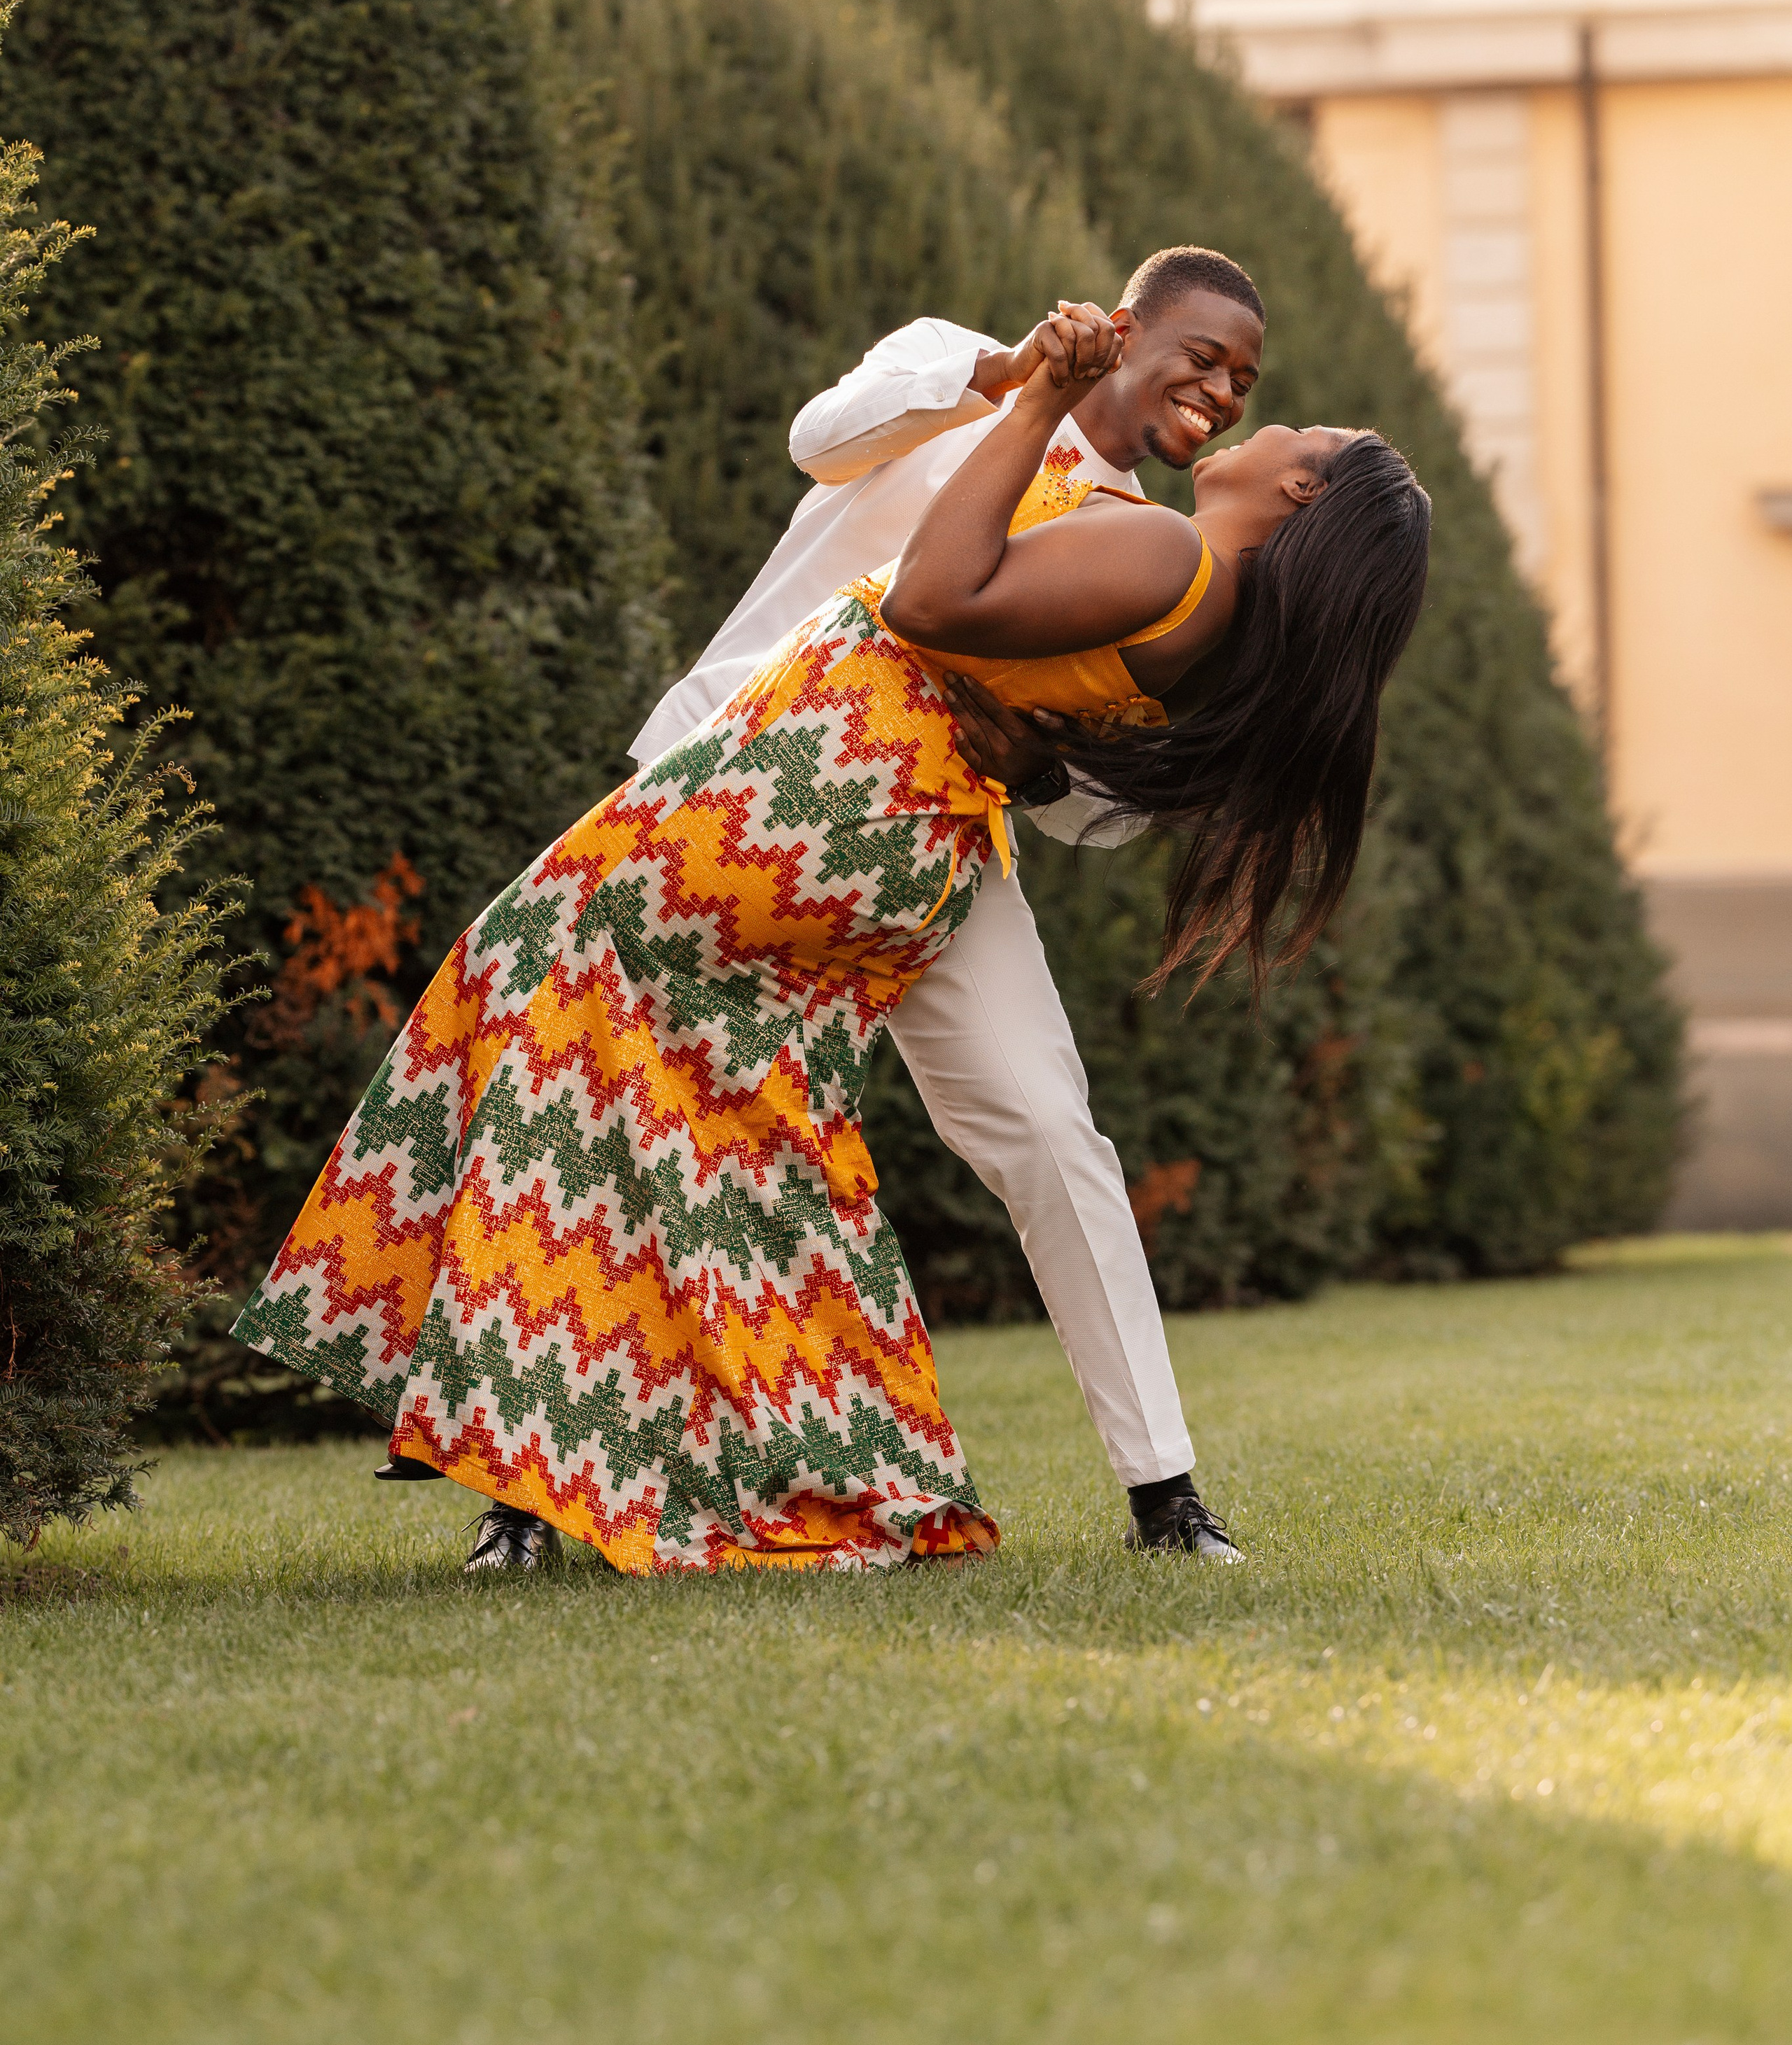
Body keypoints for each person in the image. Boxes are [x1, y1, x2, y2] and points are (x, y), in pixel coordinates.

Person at [232, 252, 1432, 1577]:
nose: (1227, 392)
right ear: (1126, 324)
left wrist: (1041, 764)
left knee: (1045, 1127)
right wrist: (1010, 376)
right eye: (1206, 356)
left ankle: (1166, 1491)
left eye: (1249, 381)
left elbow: (1108, 799)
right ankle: (527, 1493)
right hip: (729, 772)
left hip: (926, 836)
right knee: (611, 1077)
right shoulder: (964, 373)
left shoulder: (1154, 544)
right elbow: (822, 438)